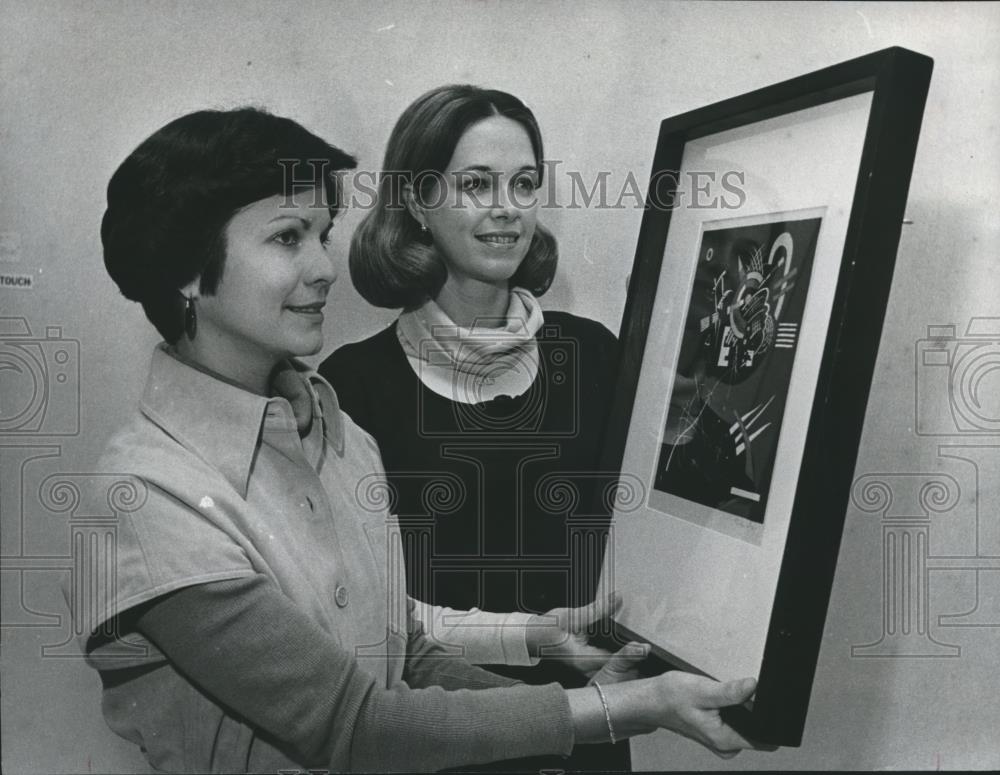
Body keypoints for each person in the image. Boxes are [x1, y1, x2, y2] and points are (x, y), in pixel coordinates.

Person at [72, 105, 758, 773]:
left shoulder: (334, 430)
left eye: (323, 232)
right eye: (288, 237)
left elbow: (404, 653)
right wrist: (619, 708)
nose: (324, 267)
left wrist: (582, 694)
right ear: (188, 271)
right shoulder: (147, 495)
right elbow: (357, 724)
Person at [319, 85, 621, 771]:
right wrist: (529, 637)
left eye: (523, 183)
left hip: (588, 730)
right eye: (476, 184)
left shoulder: (597, 356)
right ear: (419, 202)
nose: (506, 207)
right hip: (440, 738)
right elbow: (362, 619)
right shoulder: (351, 387)